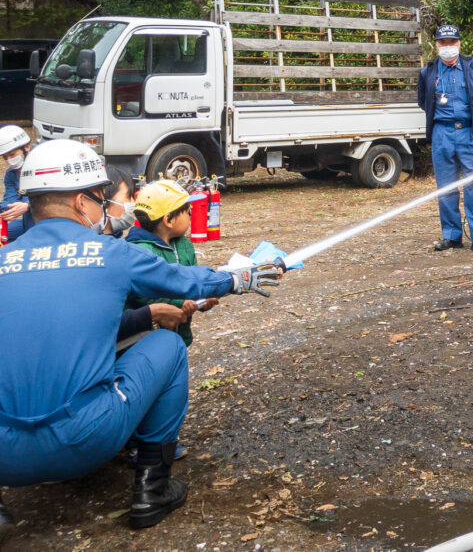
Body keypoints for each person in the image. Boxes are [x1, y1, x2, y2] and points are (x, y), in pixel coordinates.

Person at [0, 139, 283, 534]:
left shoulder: (4, 258)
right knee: (167, 345)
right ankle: (153, 489)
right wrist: (238, 278)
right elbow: (184, 280)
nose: (110, 208)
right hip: (84, 439)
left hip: (5, 456)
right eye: (102, 198)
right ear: (82, 203)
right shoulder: (110, 253)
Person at [416, 24, 473, 255]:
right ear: (436, 46)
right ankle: (451, 236)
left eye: (452, 42)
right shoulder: (428, 72)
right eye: (443, 43)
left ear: (459, 44)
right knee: (446, 187)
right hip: (442, 134)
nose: (448, 47)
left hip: (471, 134)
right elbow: (423, 101)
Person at [126, 180, 219, 349]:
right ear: (169, 220)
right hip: (147, 340)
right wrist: (178, 303)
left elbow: (194, 278)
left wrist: (205, 295)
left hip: (180, 333)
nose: (190, 215)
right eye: (187, 211)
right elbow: (140, 293)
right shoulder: (140, 251)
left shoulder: (184, 245)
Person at [0, 125, 34, 242]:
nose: (9, 160)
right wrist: (3, 210)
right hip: (27, 222)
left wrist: (28, 206)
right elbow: (9, 201)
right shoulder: (11, 174)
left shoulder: (45, 167)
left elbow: (58, 198)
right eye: (5, 157)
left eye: (12, 154)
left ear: (27, 147)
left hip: (50, 221)